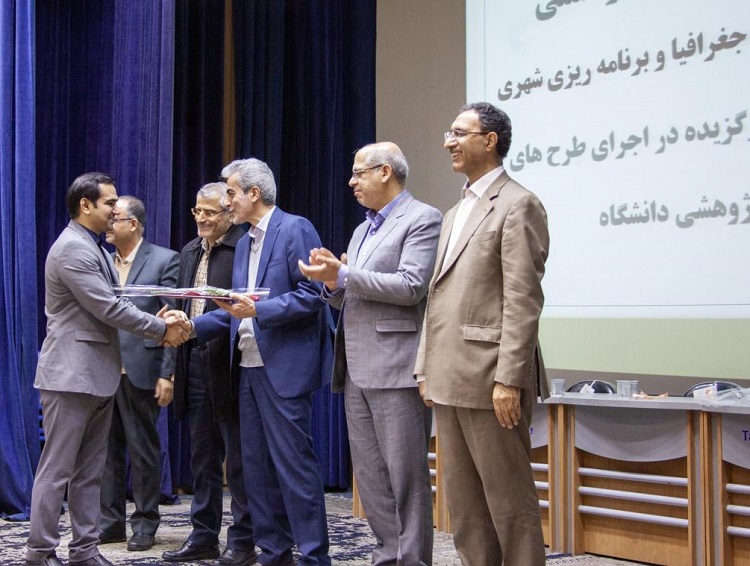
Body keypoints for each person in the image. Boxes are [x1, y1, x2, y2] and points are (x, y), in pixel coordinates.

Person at [414, 102, 550, 566]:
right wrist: (425, 366)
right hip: (448, 377)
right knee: (466, 507)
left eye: (458, 133)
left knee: (509, 502)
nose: (448, 142)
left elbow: (523, 300)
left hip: (492, 379)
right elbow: (437, 297)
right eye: (448, 133)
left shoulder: (519, 203)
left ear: (489, 141)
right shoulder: (454, 212)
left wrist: (509, 378)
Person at [26, 173, 187, 566]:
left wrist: (158, 321)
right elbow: (108, 307)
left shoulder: (91, 245)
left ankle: (84, 550)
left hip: (95, 375)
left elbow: (117, 302)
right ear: (85, 205)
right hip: (71, 377)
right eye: (109, 203)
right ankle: (40, 552)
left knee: (89, 472)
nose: (116, 209)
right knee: (56, 471)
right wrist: (160, 329)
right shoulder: (73, 248)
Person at [299, 142, 441, 565]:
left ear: (385, 172)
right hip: (356, 367)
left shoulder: (422, 218)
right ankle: (386, 555)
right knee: (371, 479)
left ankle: (413, 560)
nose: (351, 181)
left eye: (359, 172)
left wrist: (344, 273)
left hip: (397, 366)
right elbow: (354, 295)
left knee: (406, 478)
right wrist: (332, 285)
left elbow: (411, 286)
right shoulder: (363, 229)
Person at [186, 158, 333, 566]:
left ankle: (314, 556)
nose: (226, 201)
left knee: (294, 467)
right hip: (247, 368)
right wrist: (191, 326)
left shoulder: (295, 228)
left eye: (231, 193)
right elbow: (236, 310)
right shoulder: (243, 243)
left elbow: (313, 294)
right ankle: (273, 553)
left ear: (254, 193)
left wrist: (258, 311)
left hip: (284, 368)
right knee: (255, 470)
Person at [162, 183, 255, 565]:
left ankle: (243, 540)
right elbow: (184, 304)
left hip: (231, 366)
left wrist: (193, 327)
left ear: (229, 213)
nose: (201, 218)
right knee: (202, 460)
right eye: (197, 211)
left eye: (210, 212)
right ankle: (203, 537)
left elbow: (240, 309)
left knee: (240, 462)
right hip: (194, 362)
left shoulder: (244, 247)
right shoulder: (189, 251)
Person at [98, 196, 179, 551]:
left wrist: (167, 374)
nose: (108, 224)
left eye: (114, 217)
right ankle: (110, 523)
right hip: (103, 370)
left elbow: (173, 320)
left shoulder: (164, 259)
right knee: (105, 452)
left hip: (142, 370)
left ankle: (145, 523)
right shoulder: (100, 260)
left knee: (143, 450)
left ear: (133, 224)